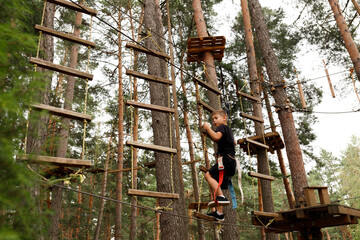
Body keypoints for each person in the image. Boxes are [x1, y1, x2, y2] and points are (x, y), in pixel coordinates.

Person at [202, 109, 236, 221]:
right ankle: (219, 213)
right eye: (212, 120)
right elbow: (233, 142)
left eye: (216, 118)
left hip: (225, 160)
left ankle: (221, 197)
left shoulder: (222, 128)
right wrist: (208, 133)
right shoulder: (228, 130)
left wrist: (207, 128)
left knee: (208, 176)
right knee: (218, 185)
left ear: (224, 118)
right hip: (230, 162)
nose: (214, 121)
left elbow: (216, 137)